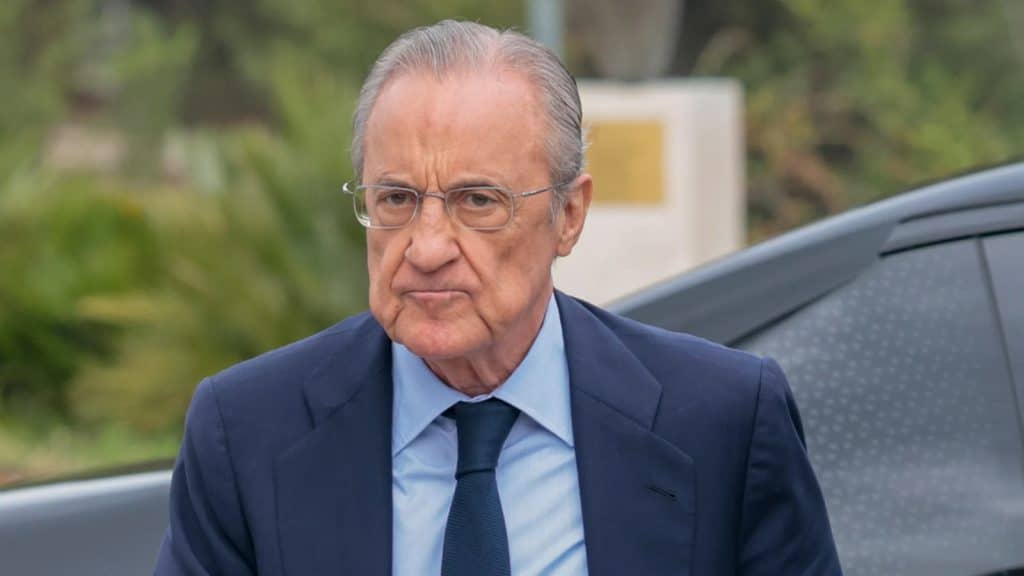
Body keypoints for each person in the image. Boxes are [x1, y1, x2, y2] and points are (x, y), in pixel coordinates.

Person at [154, 19, 842, 576]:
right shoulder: (249, 432)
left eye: (477, 200)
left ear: (568, 215)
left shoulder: (722, 422)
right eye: (396, 199)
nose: (426, 247)